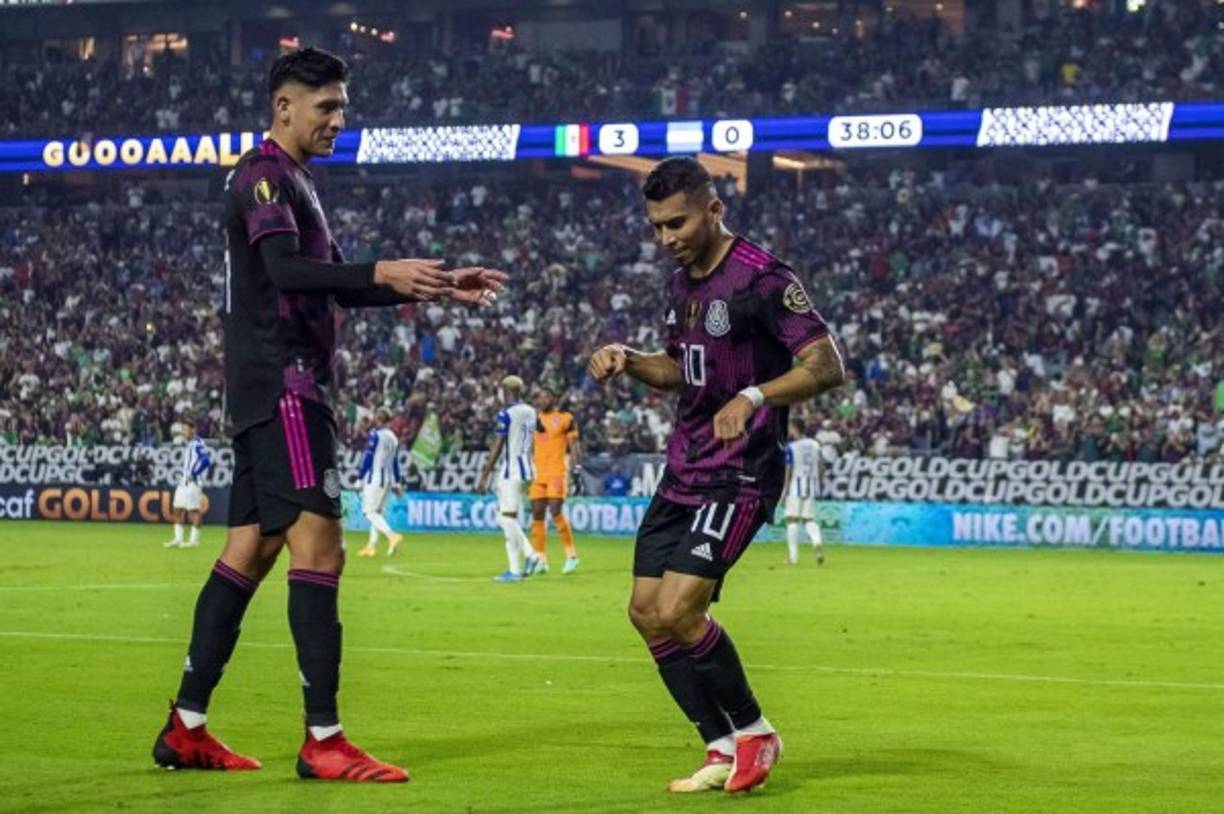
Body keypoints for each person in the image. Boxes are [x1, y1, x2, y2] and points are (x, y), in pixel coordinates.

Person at [151, 47, 506, 782]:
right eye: (327, 108)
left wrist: (432, 284)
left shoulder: (296, 182)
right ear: (284, 107)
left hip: (275, 385)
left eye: (342, 107)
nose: (339, 120)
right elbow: (285, 274)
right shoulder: (262, 178)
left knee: (249, 552)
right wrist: (378, 270)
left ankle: (185, 726)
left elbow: (334, 285)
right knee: (322, 549)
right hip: (286, 385)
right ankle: (324, 739)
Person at [586, 157, 845, 794]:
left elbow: (826, 364)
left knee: (680, 607)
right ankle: (719, 744)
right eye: (656, 227)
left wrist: (754, 397)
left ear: (714, 210)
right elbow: (680, 369)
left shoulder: (762, 278)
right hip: (684, 469)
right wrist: (630, 359)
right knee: (646, 612)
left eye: (677, 223)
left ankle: (757, 732)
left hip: (741, 473)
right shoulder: (681, 284)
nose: (666, 237)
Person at [476, 375, 541, 582]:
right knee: (506, 518)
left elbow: (497, 446)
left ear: (506, 391)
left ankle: (531, 555)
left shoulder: (506, 414)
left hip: (511, 472)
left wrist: (484, 475)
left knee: (506, 518)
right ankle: (514, 571)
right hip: (528, 470)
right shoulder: (531, 411)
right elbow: (536, 435)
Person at [528, 387, 582, 575]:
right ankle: (541, 559)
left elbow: (574, 446)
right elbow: (529, 446)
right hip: (538, 473)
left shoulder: (565, 419)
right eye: (539, 397)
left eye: (545, 396)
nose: (541, 400)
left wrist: (577, 469)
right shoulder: (533, 420)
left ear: (553, 398)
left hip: (557, 473)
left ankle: (571, 556)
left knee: (556, 511)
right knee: (537, 514)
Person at [356, 408, 405, 557]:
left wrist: (360, 477)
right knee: (378, 514)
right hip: (388, 479)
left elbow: (369, 457)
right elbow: (395, 462)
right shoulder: (393, 437)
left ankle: (392, 536)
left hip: (375, 479)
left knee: (369, 512)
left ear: (378, 419)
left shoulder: (375, 435)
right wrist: (398, 482)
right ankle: (371, 546)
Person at [782, 419, 824, 565]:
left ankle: (793, 558)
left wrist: (785, 491)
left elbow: (789, 470)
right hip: (811, 486)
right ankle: (817, 542)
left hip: (796, 485)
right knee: (809, 519)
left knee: (792, 519)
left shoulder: (792, 447)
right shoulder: (815, 444)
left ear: (794, 428)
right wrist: (818, 483)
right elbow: (821, 466)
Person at [165, 419, 212, 549]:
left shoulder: (197, 443)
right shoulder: (190, 444)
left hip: (193, 482)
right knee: (177, 509)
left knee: (194, 511)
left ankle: (193, 541)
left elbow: (206, 460)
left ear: (193, 430)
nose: (183, 432)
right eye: (183, 430)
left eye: (186, 429)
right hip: (183, 482)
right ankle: (178, 539)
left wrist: (195, 473)